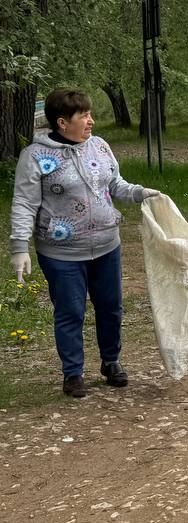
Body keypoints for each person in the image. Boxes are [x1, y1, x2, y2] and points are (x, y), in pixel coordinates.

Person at [9, 88, 163, 398]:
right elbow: (24, 203)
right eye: (84, 116)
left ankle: (111, 362)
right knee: (70, 312)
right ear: (63, 122)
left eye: (90, 115)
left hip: (107, 245)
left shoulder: (100, 146)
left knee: (111, 307)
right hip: (61, 253)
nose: (91, 121)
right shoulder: (35, 157)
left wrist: (140, 193)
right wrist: (19, 247)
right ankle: (73, 373)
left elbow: (115, 184)